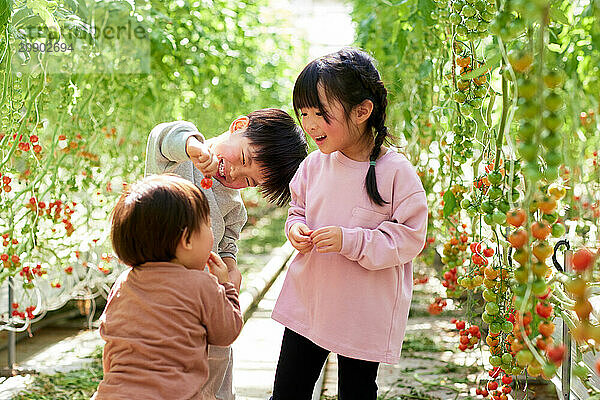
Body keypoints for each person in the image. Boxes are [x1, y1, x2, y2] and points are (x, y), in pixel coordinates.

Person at [270, 48, 429, 400]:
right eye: (304, 113)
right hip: (312, 299)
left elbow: (409, 237)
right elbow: (298, 209)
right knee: (288, 391)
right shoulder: (313, 165)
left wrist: (351, 241)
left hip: (363, 309)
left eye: (321, 114)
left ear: (362, 111)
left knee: (356, 392)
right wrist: (295, 229)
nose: (309, 125)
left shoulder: (395, 172)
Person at [145, 108, 307, 400]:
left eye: (249, 182)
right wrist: (194, 149)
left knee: (214, 373)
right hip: (156, 298)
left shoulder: (233, 206)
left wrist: (230, 270)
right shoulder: (180, 159)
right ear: (238, 126)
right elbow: (162, 137)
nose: (234, 173)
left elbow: (228, 241)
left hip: (202, 303)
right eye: (244, 159)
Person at [94, 174, 243, 400]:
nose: (212, 235)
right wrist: (227, 288)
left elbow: (109, 338)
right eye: (208, 226)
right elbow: (226, 333)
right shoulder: (203, 285)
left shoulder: (123, 283)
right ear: (187, 240)